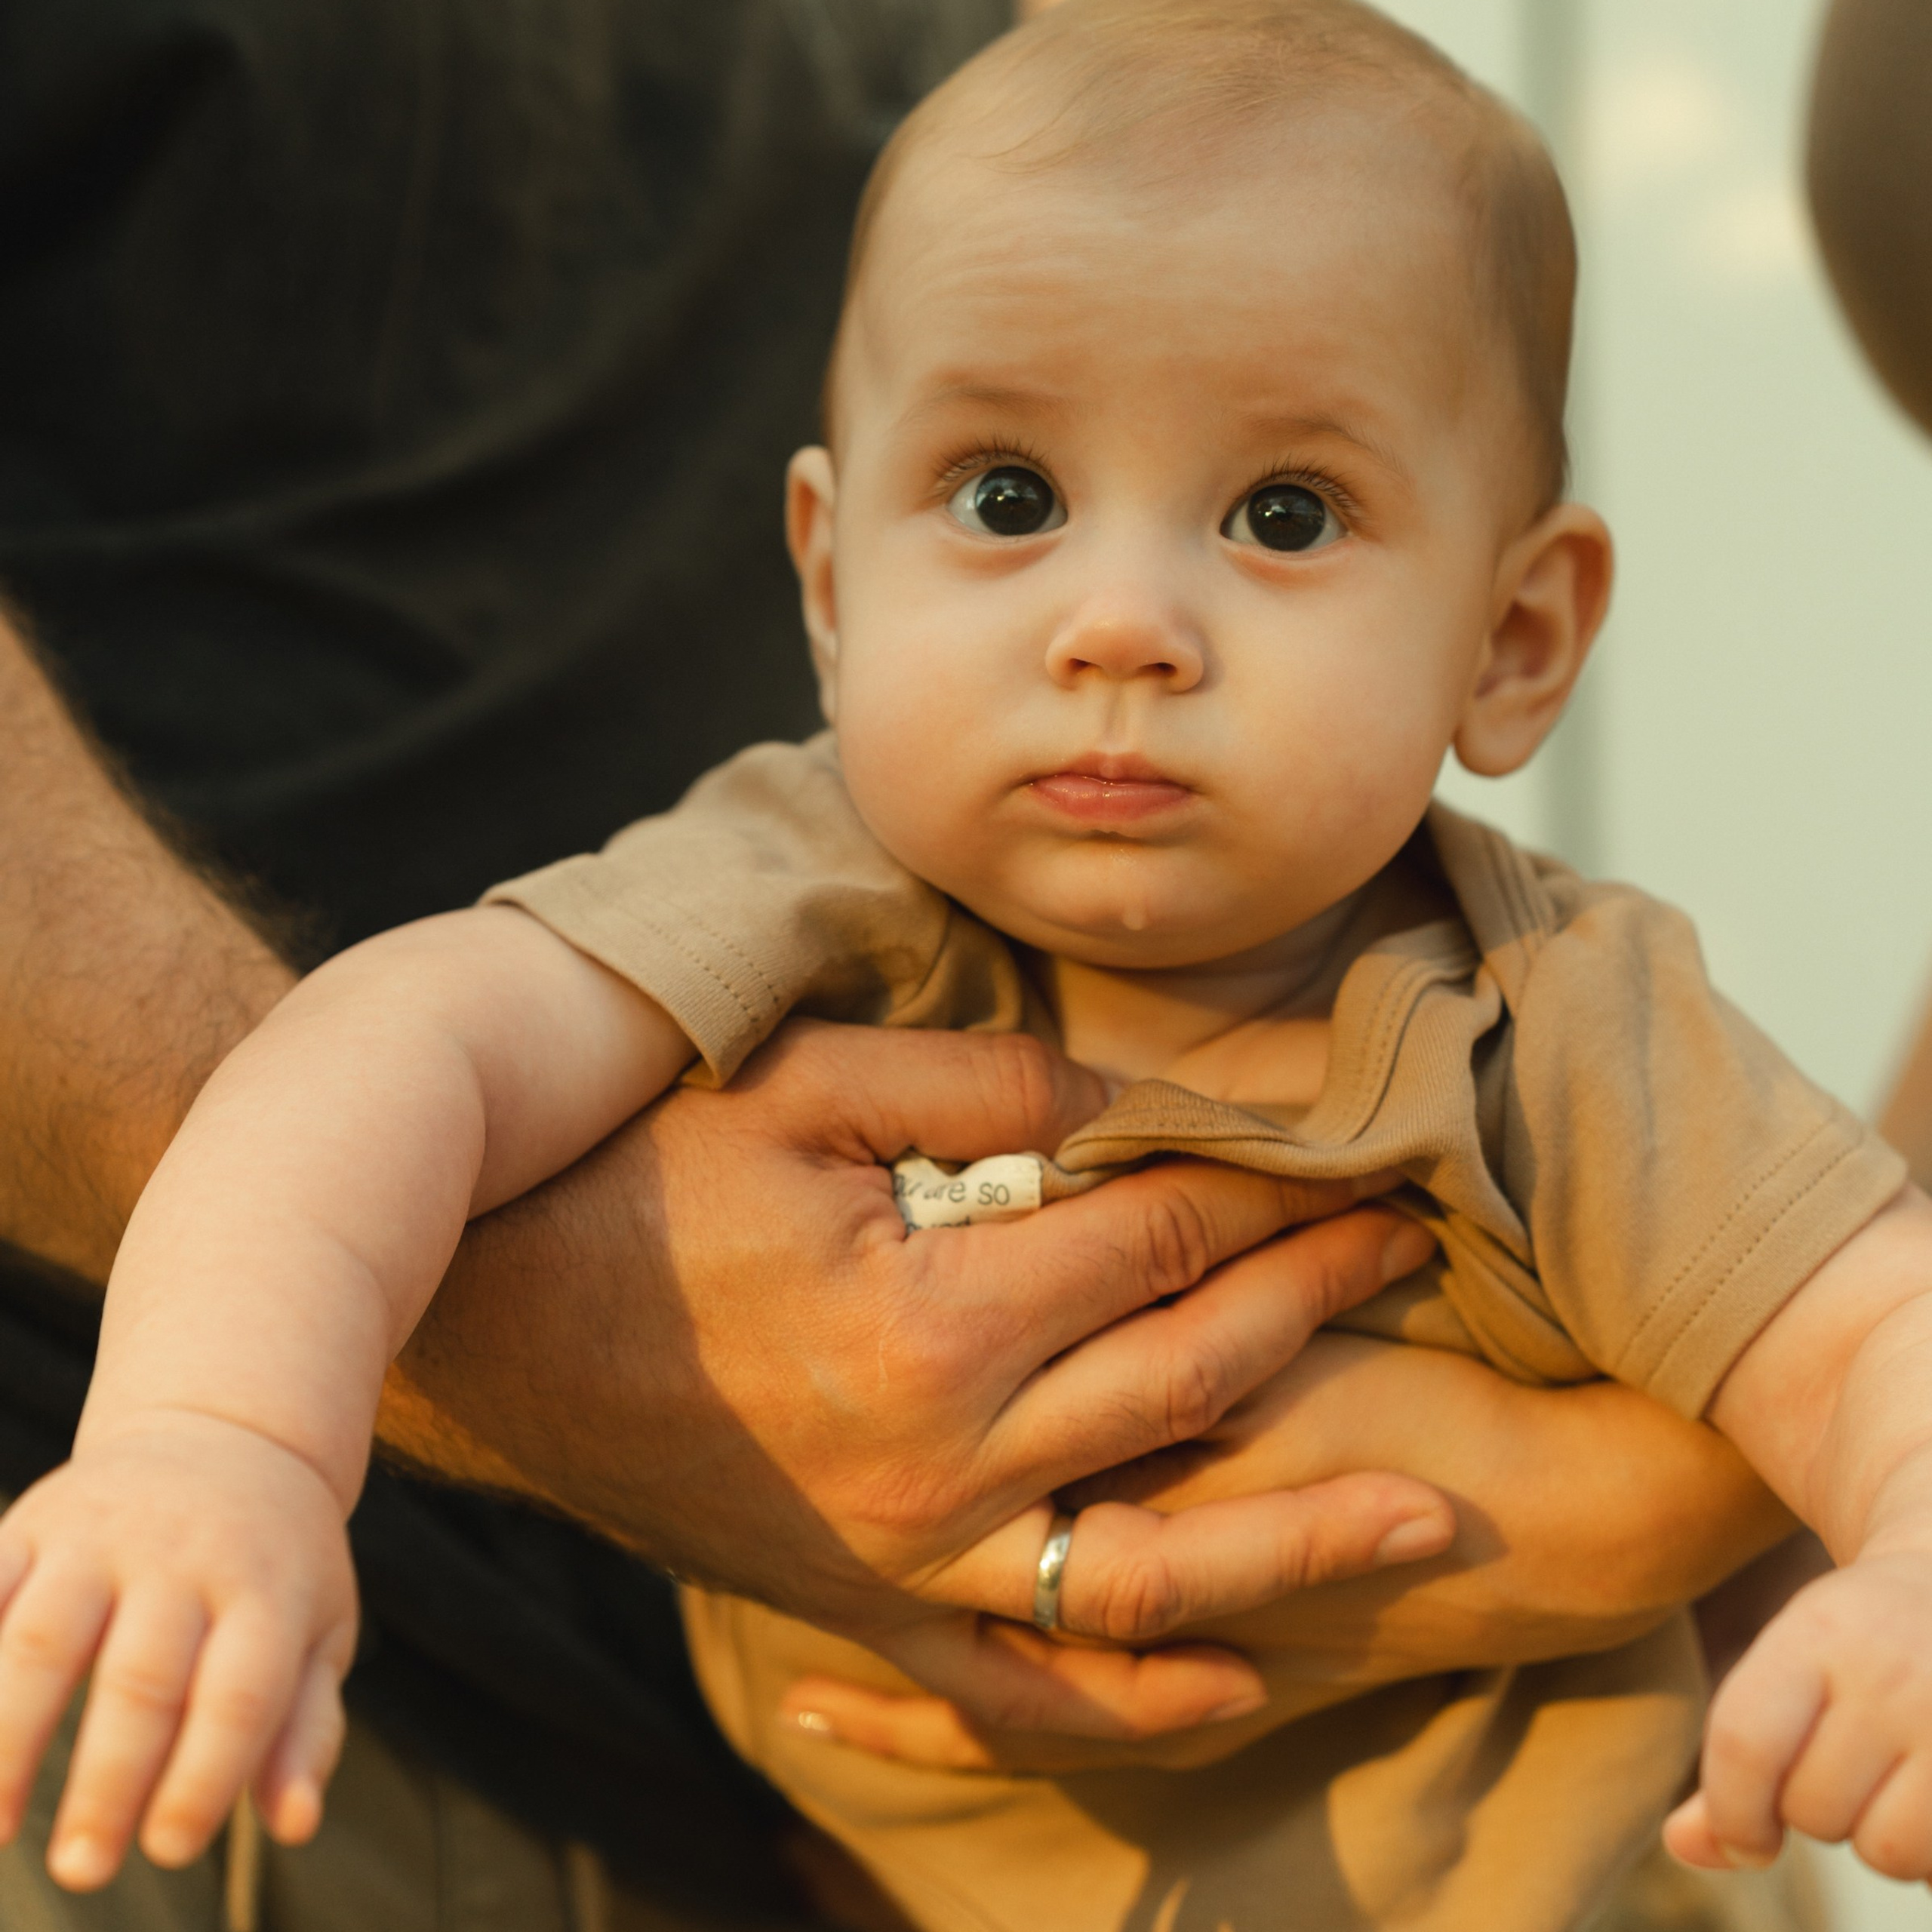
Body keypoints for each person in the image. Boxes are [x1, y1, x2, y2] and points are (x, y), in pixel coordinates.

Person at [4, 2, 1927, 1928]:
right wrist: (219, 1435)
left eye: (1281, 514)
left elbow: (1867, 1327)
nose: (1118, 624)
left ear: (1512, 639)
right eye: (1007, 498)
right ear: (834, 585)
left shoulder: (1556, 1018)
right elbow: (392, 1055)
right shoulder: (801, 890)